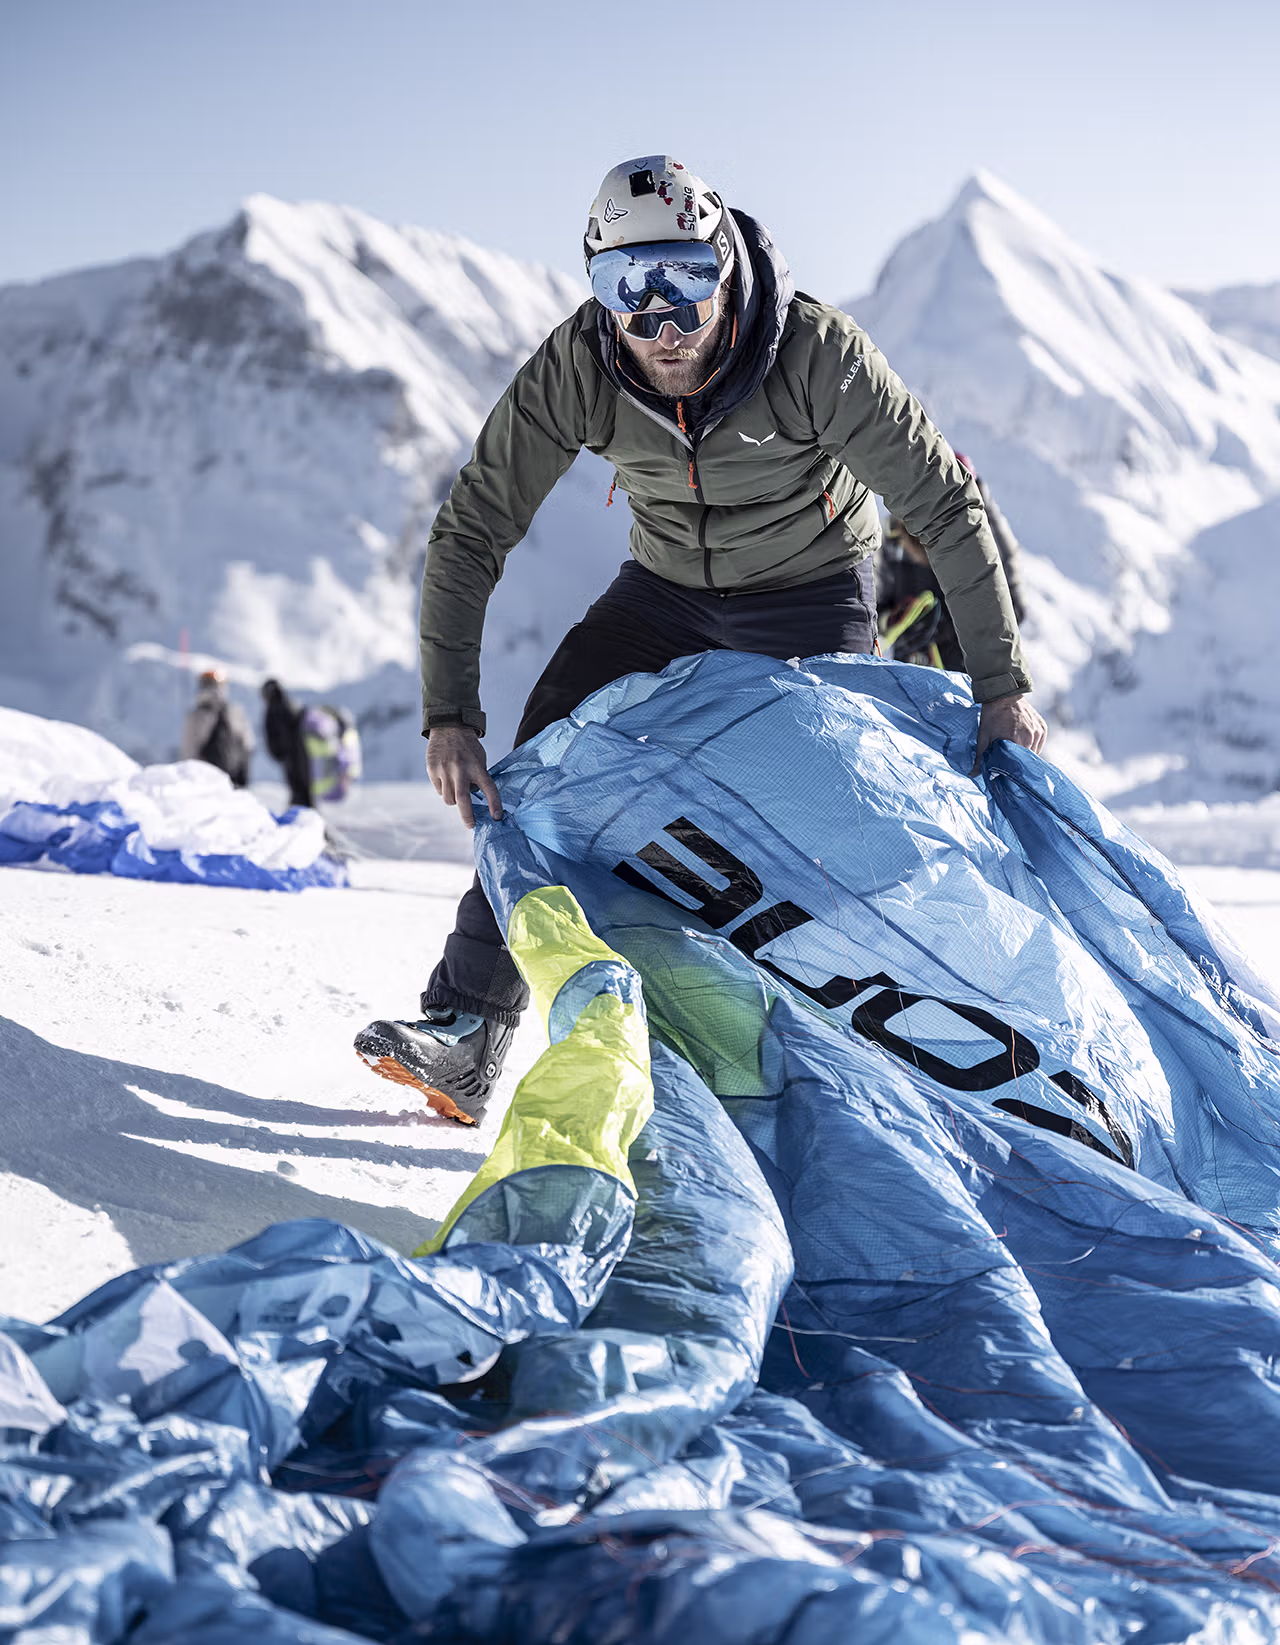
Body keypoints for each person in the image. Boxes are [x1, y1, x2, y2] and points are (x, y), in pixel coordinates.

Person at [355, 154, 1048, 1124]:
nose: (661, 322)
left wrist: (1000, 688)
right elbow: (472, 525)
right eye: (626, 291)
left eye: (682, 281)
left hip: (809, 593)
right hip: (664, 593)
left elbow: (942, 504)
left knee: (836, 815)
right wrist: (447, 715)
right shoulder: (580, 366)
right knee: (539, 768)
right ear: (596, 291)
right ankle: (468, 1031)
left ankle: (887, 1063)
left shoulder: (815, 354)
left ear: (722, 264)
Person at [877, 456, 1027, 671]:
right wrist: (899, 622)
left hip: (967, 683)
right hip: (912, 676)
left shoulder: (984, 548)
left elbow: (1014, 609)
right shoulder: (892, 543)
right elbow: (872, 608)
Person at [181, 667, 253, 787]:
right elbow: (247, 744)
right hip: (233, 779)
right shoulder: (235, 712)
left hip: (205, 781)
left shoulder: (197, 715)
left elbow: (189, 752)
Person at [261, 679, 313, 809]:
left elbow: (280, 737)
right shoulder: (290, 705)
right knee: (305, 793)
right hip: (304, 758)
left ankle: (304, 823)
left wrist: (281, 754)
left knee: (299, 793)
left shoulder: (276, 710)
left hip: (294, 760)